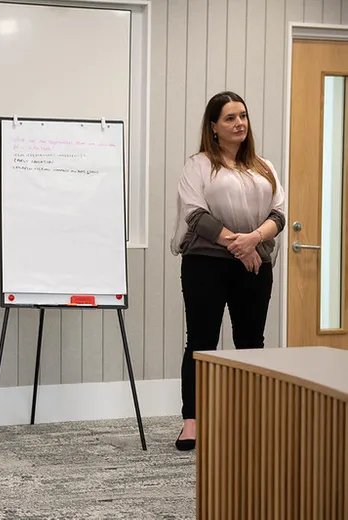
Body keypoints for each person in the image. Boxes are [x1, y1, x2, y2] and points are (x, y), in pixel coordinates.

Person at [169, 91, 285, 451]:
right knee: (201, 341)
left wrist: (252, 241)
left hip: (254, 265)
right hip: (205, 263)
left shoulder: (263, 166)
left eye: (243, 116)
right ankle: (192, 422)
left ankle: (248, 419)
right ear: (214, 127)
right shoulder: (199, 164)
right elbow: (194, 214)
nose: (239, 124)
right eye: (230, 118)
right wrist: (239, 245)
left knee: (251, 343)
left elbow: (279, 214)